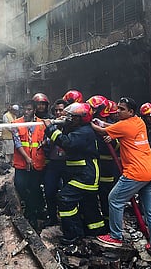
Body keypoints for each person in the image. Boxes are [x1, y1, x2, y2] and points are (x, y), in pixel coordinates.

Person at [91, 97, 151, 261]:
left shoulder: (125, 125)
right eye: (117, 108)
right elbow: (114, 127)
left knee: (114, 199)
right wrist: (103, 123)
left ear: (131, 111)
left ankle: (116, 236)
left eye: (122, 109)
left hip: (136, 173)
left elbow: (102, 131)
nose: (118, 111)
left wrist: (89, 121)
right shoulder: (138, 122)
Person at [43, 102, 105, 244]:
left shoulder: (84, 132)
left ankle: (73, 234)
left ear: (81, 118)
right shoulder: (79, 129)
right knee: (88, 204)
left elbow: (67, 143)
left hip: (86, 175)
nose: (68, 119)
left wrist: (51, 129)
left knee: (65, 199)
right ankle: (95, 230)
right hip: (82, 173)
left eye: (71, 117)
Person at [12, 100, 46, 231]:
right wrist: (27, 158)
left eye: (29, 110)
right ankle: (32, 207)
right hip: (22, 163)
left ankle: (32, 213)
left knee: (34, 187)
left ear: (34, 110)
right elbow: (17, 142)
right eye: (25, 109)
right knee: (19, 185)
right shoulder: (16, 123)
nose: (26, 112)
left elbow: (46, 139)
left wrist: (44, 143)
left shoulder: (41, 124)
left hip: (37, 163)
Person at [87, 95, 119, 230]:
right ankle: (96, 224)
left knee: (107, 195)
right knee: (92, 195)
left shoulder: (110, 126)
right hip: (93, 166)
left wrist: (111, 139)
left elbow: (119, 145)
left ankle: (109, 223)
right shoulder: (90, 124)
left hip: (107, 167)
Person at [42, 98, 68, 226]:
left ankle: (67, 221)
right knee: (49, 190)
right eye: (56, 110)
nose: (58, 113)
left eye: (61, 110)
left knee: (66, 193)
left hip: (68, 164)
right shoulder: (51, 124)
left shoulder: (71, 125)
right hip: (53, 163)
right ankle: (52, 218)